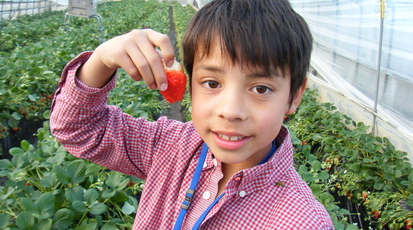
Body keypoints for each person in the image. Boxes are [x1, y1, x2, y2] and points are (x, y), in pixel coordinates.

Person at [50, 0, 334, 229]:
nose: (230, 111)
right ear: (190, 84)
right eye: (212, 83)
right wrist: (101, 60)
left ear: (294, 95)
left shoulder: (301, 221)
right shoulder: (170, 146)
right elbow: (76, 129)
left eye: (261, 88)